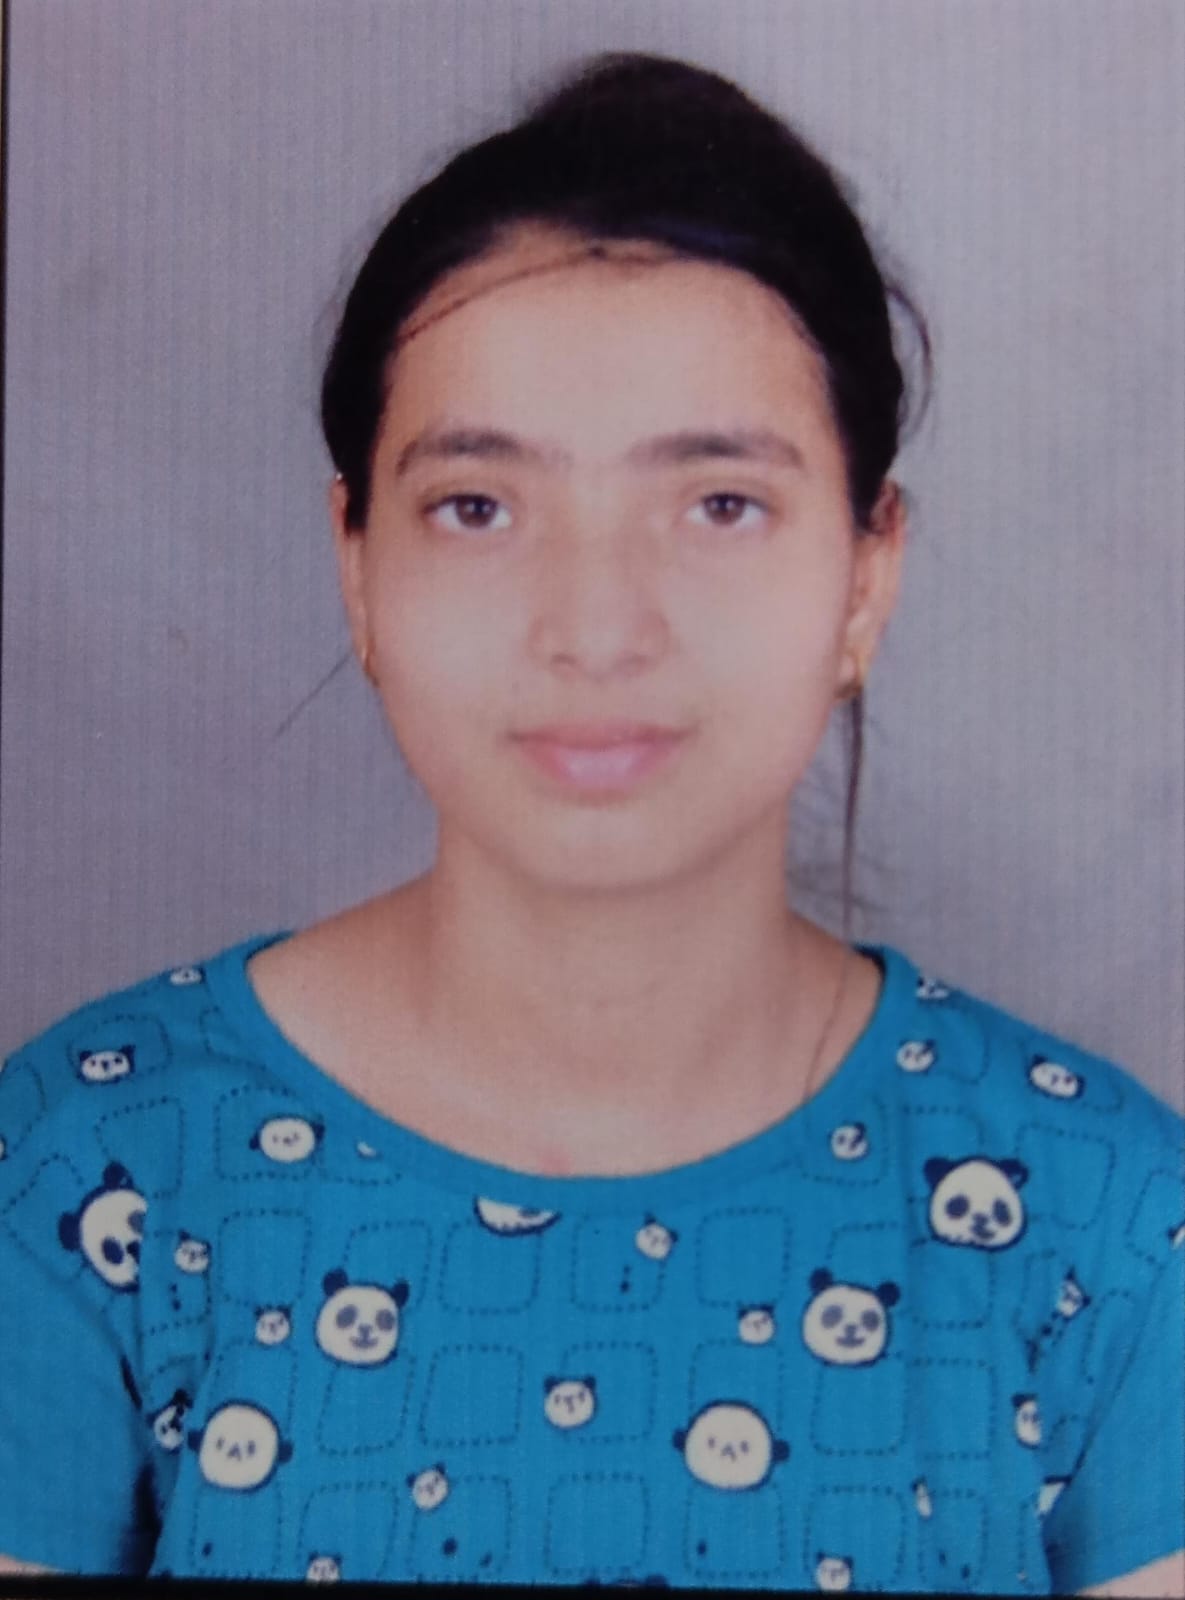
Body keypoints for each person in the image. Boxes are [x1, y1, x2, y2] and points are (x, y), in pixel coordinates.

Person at [0, 51, 1181, 1594]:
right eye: (477, 507)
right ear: (356, 566)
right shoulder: (88, 1174)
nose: (596, 626)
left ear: (864, 574)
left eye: (718, 504)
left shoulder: (1109, 1226)